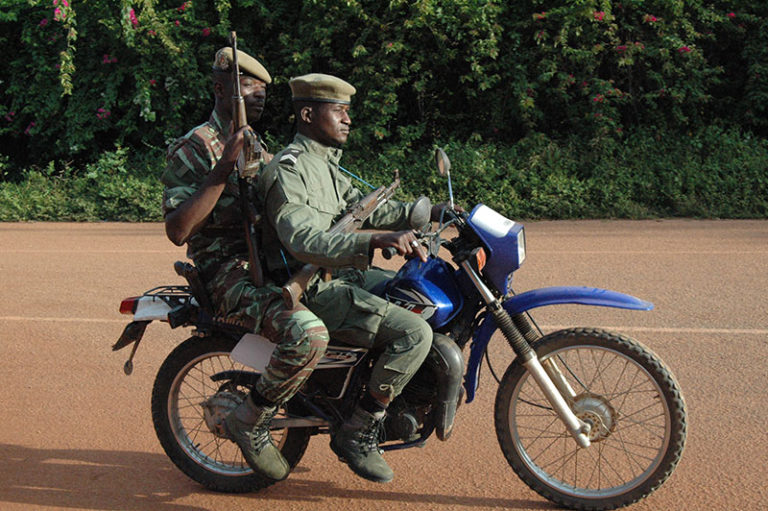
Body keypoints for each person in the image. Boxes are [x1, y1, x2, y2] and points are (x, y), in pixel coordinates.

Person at [257, 73, 447, 483]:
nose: (347, 120)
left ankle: (374, 384)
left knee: (412, 292)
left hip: (339, 274)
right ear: (308, 114)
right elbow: (301, 239)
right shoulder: (289, 169)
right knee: (413, 333)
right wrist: (376, 240)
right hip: (312, 289)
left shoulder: (323, 164)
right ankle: (359, 428)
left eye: (348, 112)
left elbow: (362, 210)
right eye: (338, 111)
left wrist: (428, 212)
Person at [160, 49, 329, 482]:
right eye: (249, 86)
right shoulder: (194, 148)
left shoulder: (256, 143)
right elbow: (178, 230)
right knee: (306, 333)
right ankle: (250, 422)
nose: (259, 96)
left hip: (267, 262)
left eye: (264, 90)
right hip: (225, 272)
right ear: (220, 89)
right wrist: (220, 169)